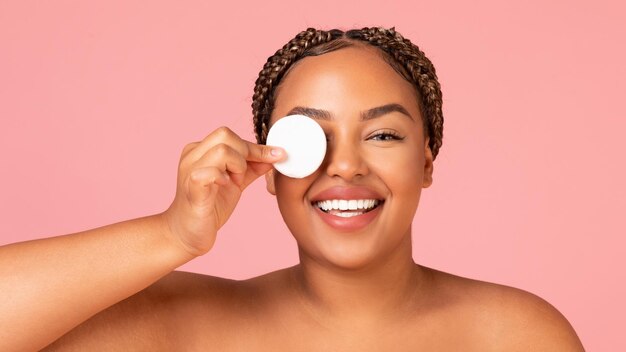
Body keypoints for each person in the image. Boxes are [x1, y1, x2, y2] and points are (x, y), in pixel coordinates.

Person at [0, 27, 584, 351]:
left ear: (427, 162)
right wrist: (171, 233)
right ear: (272, 169)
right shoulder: (181, 325)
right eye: (314, 137)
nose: (346, 166)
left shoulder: (517, 334)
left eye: (382, 133)